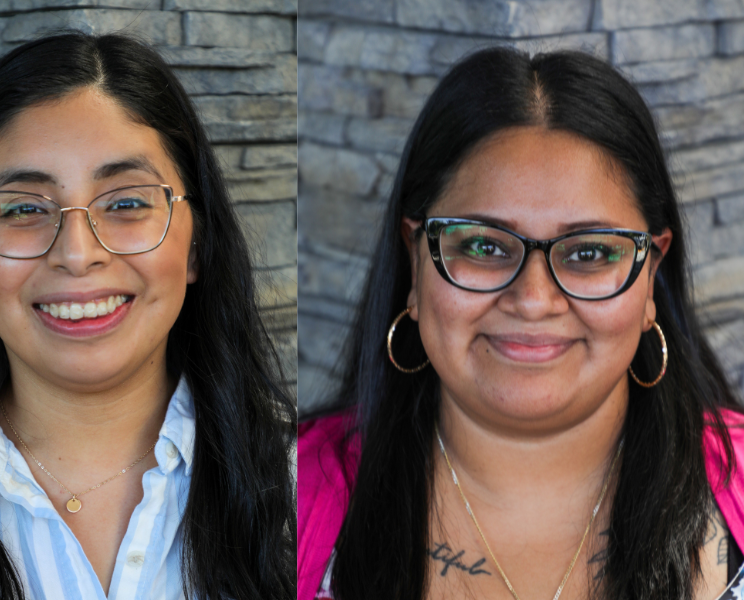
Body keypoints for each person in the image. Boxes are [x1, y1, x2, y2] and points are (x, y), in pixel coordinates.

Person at [0, 32, 295, 600]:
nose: (78, 254)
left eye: (127, 202)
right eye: (25, 209)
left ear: (197, 245)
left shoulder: (306, 488)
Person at [297, 47, 744, 600]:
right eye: (484, 245)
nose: (533, 300)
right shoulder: (282, 492)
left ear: (651, 275)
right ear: (415, 262)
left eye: (588, 254)